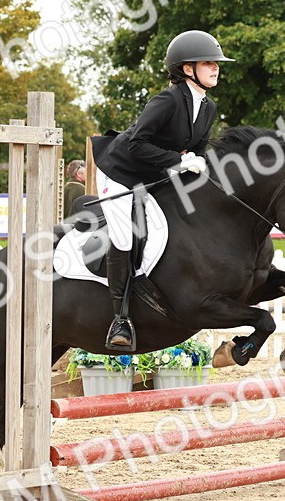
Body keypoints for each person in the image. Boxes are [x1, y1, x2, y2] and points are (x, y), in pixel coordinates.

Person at [92, 29, 234, 351]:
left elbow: (195, 152)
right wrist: (178, 160)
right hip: (119, 172)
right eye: (209, 63)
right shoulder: (167, 100)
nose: (216, 68)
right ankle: (120, 319)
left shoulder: (207, 108)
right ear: (187, 69)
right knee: (125, 236)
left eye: (216, 64)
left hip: (154, 174)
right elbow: (135, 142)